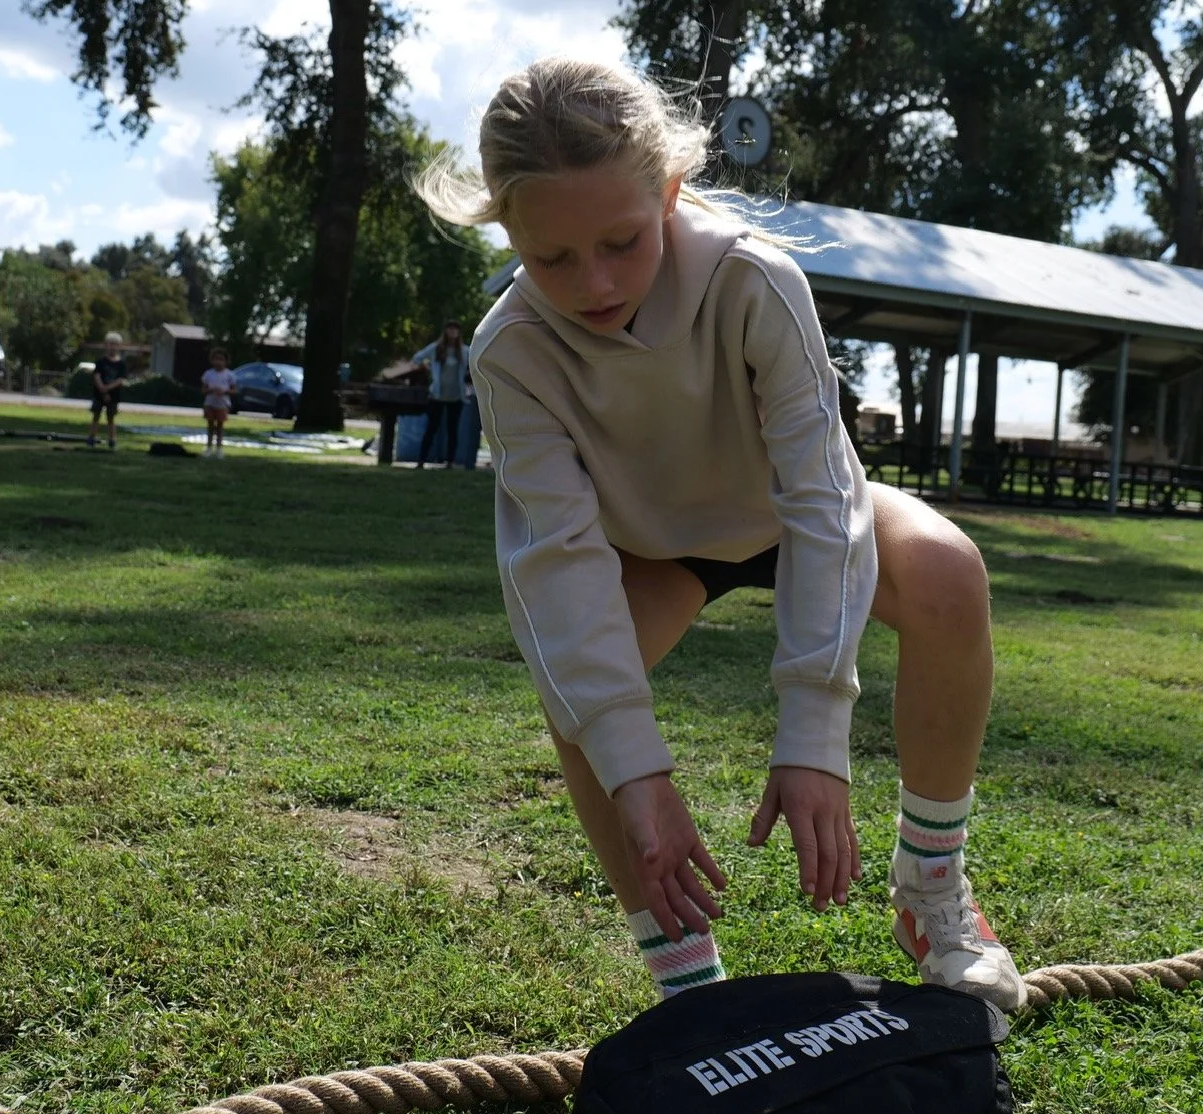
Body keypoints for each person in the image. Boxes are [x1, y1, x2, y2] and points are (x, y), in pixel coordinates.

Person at [414, 58, 1021, 1011]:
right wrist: (639, 775)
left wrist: (813, 733)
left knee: (948, 573)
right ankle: (686, 982)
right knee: (581, 686)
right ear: (506, 231)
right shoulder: (510, 354)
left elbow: (824, 500)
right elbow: (561, 570)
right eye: (552, 259)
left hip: (784, 512)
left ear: (669, 190)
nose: (594, 282)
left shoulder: (753, 280)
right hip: (656, 549)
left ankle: (932, 893)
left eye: (622, 240)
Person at [411, 320, 470, 467]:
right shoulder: (436, 348)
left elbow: (477, 362)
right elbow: (417, 358)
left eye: (455, 330)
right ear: (445, 331)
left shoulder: (464, 351)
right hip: (437, 395)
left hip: (456, 396)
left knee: (452, 430)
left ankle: (449, 461)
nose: (452, 332)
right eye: (450, 329)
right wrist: (426, 367)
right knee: (431, 428)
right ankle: (422, 460)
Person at [88, 332, 127, 449]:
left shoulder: (121, 364)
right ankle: (91, 438)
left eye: (115, 344)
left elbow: (120, 380)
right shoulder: (101, 362)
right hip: (98, 394)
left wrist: (108, 389)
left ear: (119, 346)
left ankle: (112, 439)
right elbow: (97, 376)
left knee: (111, 418)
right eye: (110, 344)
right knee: (96, 415)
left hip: (114, 395)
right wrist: (103, 390)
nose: (113, 347)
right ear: (106, 345)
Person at [199, 345, 237, 456]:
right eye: (216, 359)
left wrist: (224, 391)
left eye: (221, 359)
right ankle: (209, 448)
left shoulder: (230, 375)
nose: (218, 362)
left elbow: (234, 390)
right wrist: (211, 390)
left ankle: (219, 449)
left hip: (222, 404)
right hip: (210, 403)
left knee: (220, 427)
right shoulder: (208, 374)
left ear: (226, 361)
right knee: (210, 425)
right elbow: (203, 390)